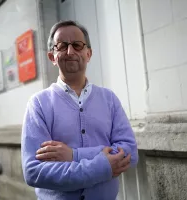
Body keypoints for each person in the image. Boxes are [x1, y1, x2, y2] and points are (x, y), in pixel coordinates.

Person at [21, 20, 138, 200]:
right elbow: (34, 172)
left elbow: (130, 152)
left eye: (77, 45)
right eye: (62, 46)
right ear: (52, 56)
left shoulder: (109, 99)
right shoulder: (38, 104)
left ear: (88, 53)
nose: (70, 52)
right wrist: (102, 167)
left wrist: (73, 155)